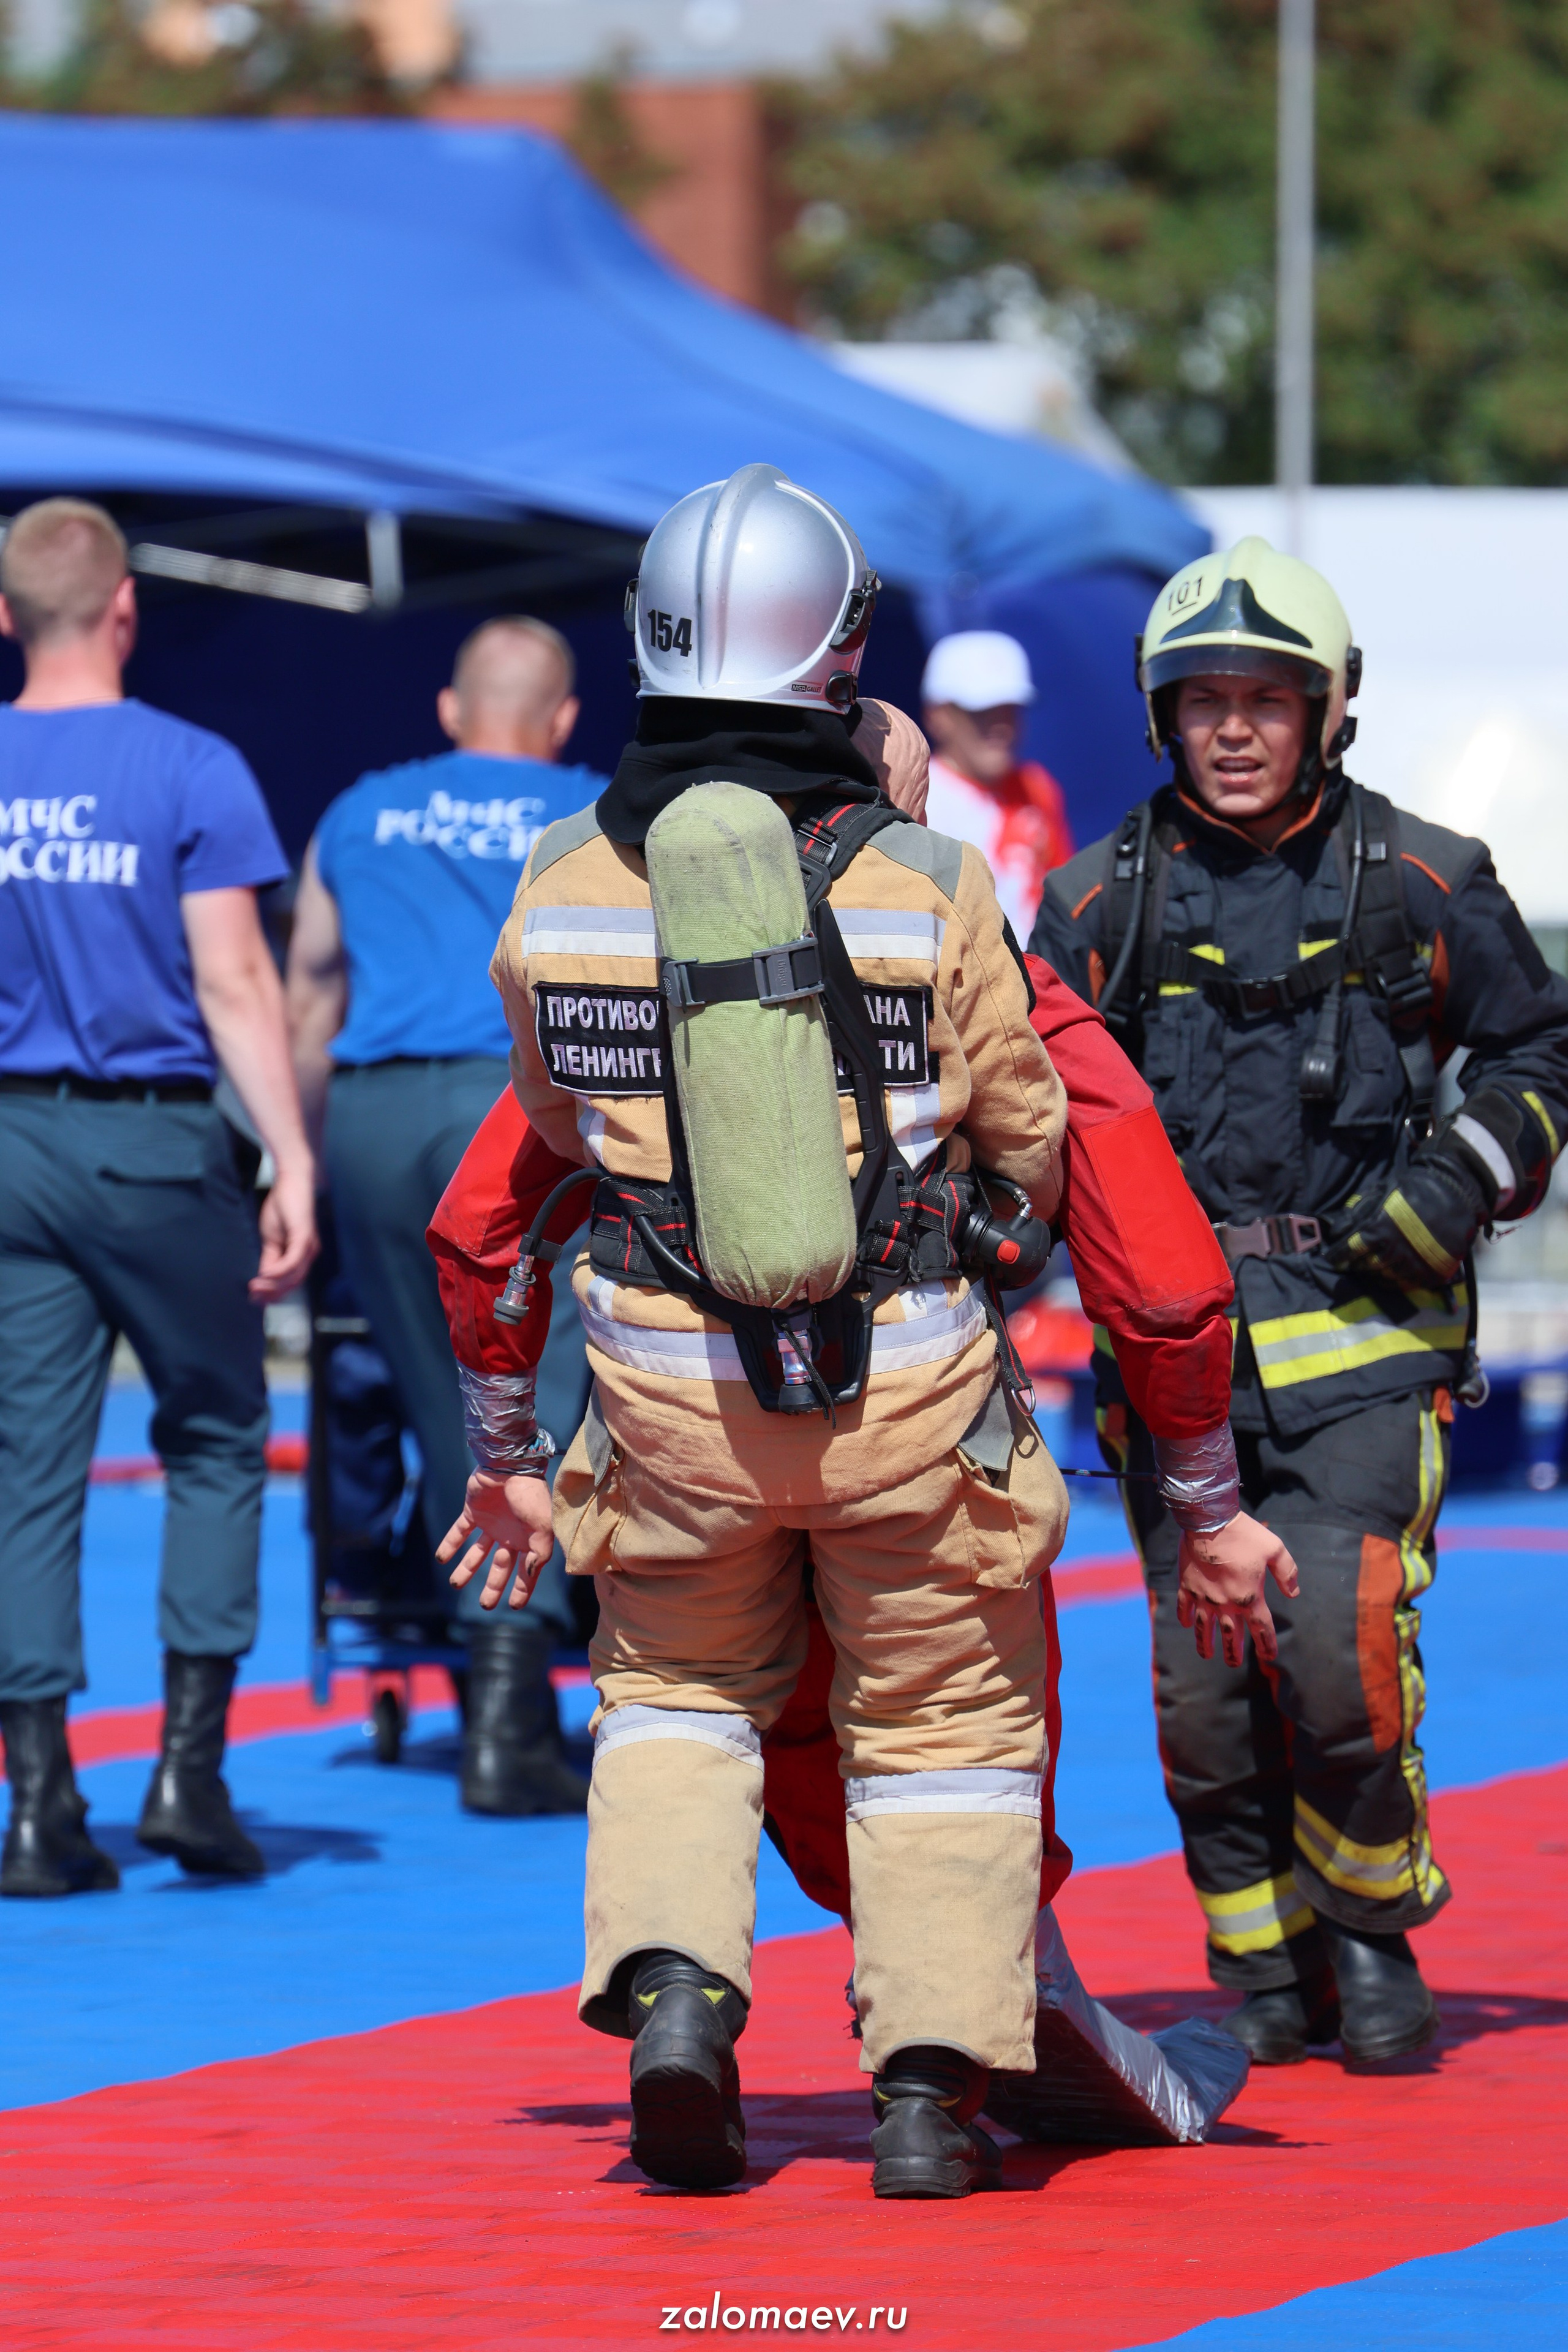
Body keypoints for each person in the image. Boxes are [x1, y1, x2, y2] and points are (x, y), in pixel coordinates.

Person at [429, 462, 1289, 2200]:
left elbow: (520, 1176)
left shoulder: (557, 890)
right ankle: (921, 2093)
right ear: (840, 660)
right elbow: (1038, 1141)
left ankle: (678, 2002)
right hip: (904, 1391)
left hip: (662, 1400)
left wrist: (507, 1454)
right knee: (946, 1733)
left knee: (674, 1698)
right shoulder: (925, 881)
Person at [1031, 536, 1568, 2067]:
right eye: (1201, 700)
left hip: (1364, 1339)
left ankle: (1370, 1927)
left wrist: (1452, 1185)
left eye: (1266, 698)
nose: (1234, 728)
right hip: (1172, 1355)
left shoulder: (1423, 879)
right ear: (1161, 718)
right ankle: (1263, 1958)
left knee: (1332, 1641)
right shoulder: (1089, 905)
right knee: (1204, 1691)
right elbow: (1027, 1106)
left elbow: (1541, 1052)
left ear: (1330, 708)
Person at [0, 496, 317, 1896]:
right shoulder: (191, 766)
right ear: (124, 606)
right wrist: (290, 1155)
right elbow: (236, 981)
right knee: (214, 1429)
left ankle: (39, 1799)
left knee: (27, 1466)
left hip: (12, 1144)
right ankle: (190, 1770)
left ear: (9, 615)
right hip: (153, 1143)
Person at [285, 617, 605, 1816]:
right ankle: (515, 1712)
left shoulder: (362, 808)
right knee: (542, 1396)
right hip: (516, 1120)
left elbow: (309, 984)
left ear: (446, 710)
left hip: (370, 1119)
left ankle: (488, 1690)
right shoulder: (594, 812)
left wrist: (295, 1160)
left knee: (439, 1403)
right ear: (563, 718)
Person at [921, 628, 1073, 941]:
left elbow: (1066, 898)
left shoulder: (1037, 787)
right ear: (938, 715)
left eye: (1010, 709)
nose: (1002, 726)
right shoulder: (916, 799)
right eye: (983, 712)